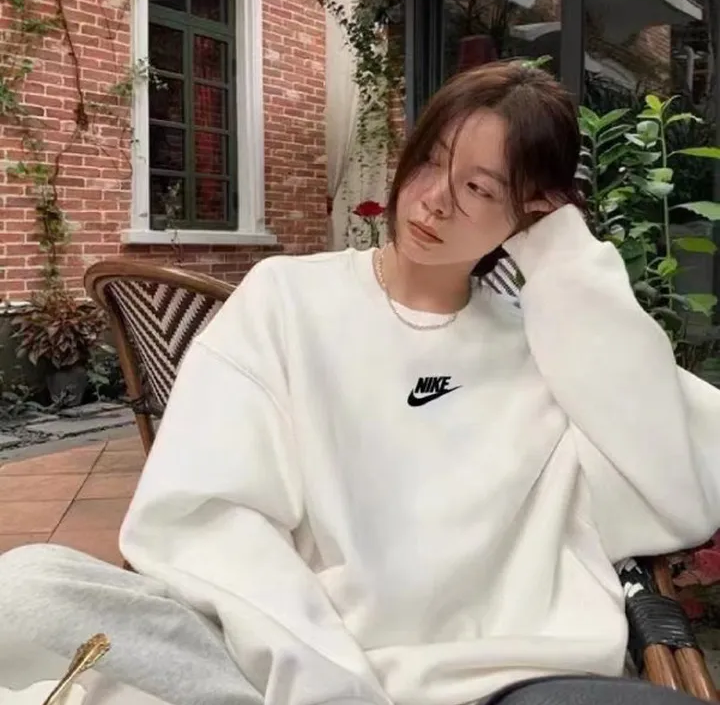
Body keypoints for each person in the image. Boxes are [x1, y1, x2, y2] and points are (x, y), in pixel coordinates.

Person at [1, 60, 720, 705]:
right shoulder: (286, 297)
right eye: (431, 161)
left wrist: (560, 251)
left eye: (478, 188)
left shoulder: (547, 344)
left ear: (531, 211)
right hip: (290, 656)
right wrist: (321, 676)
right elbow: (204, 514)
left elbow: (677, 487)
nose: (434, 200)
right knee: (27, 589)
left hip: (502, 673)